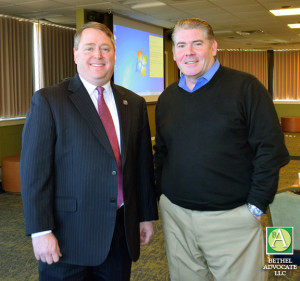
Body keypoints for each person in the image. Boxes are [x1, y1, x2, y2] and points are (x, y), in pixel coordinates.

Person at [154, 18, 290, 281]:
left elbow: (270, 149)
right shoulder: (167, 98)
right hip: (177, 218)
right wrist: (162, 196)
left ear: (213, 47)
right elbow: (162, 152)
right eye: (181, 45)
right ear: (173, 53)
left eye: (197, 43)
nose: (189, 52)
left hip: (232, 218)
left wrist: (256, 206)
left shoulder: (246, 88)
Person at [21, 21, 158, 281]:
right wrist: (40, 231)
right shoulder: (50, 100)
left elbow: (141, 167)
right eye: (89, 48)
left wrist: (145, 216)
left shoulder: (134, 103)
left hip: (119, 234)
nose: (98, 55)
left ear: (114, 56)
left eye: (106, 48)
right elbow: (35, 173)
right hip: (67, 237)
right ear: (75, 54)